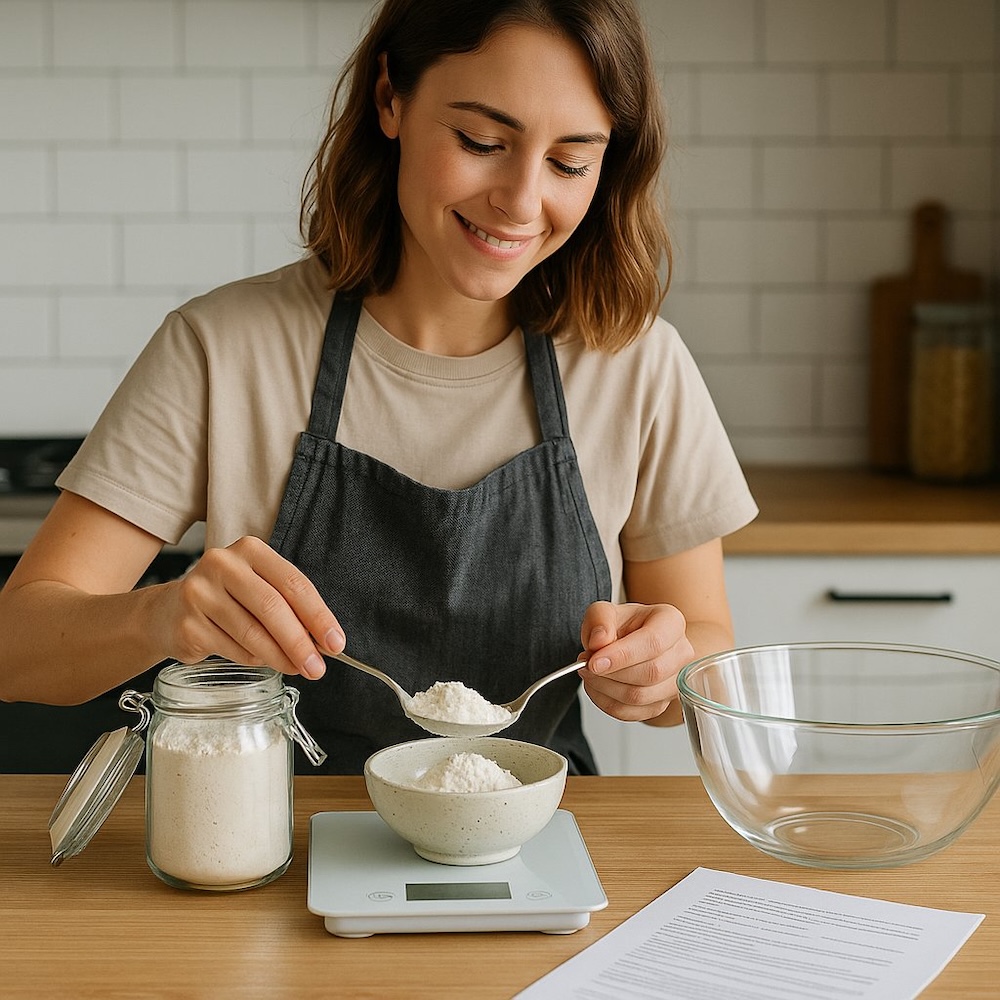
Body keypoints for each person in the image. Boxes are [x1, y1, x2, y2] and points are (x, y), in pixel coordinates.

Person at [0, 0, 757, 774]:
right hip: (271, 845)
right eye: (482, 141)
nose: (523, 203)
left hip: (537, 850)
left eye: (570, 162)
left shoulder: (638, 364)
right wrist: (162, 616)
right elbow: (17, 649)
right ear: (390, 98)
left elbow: (706, 647)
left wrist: (662, 676)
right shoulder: (222, 349)